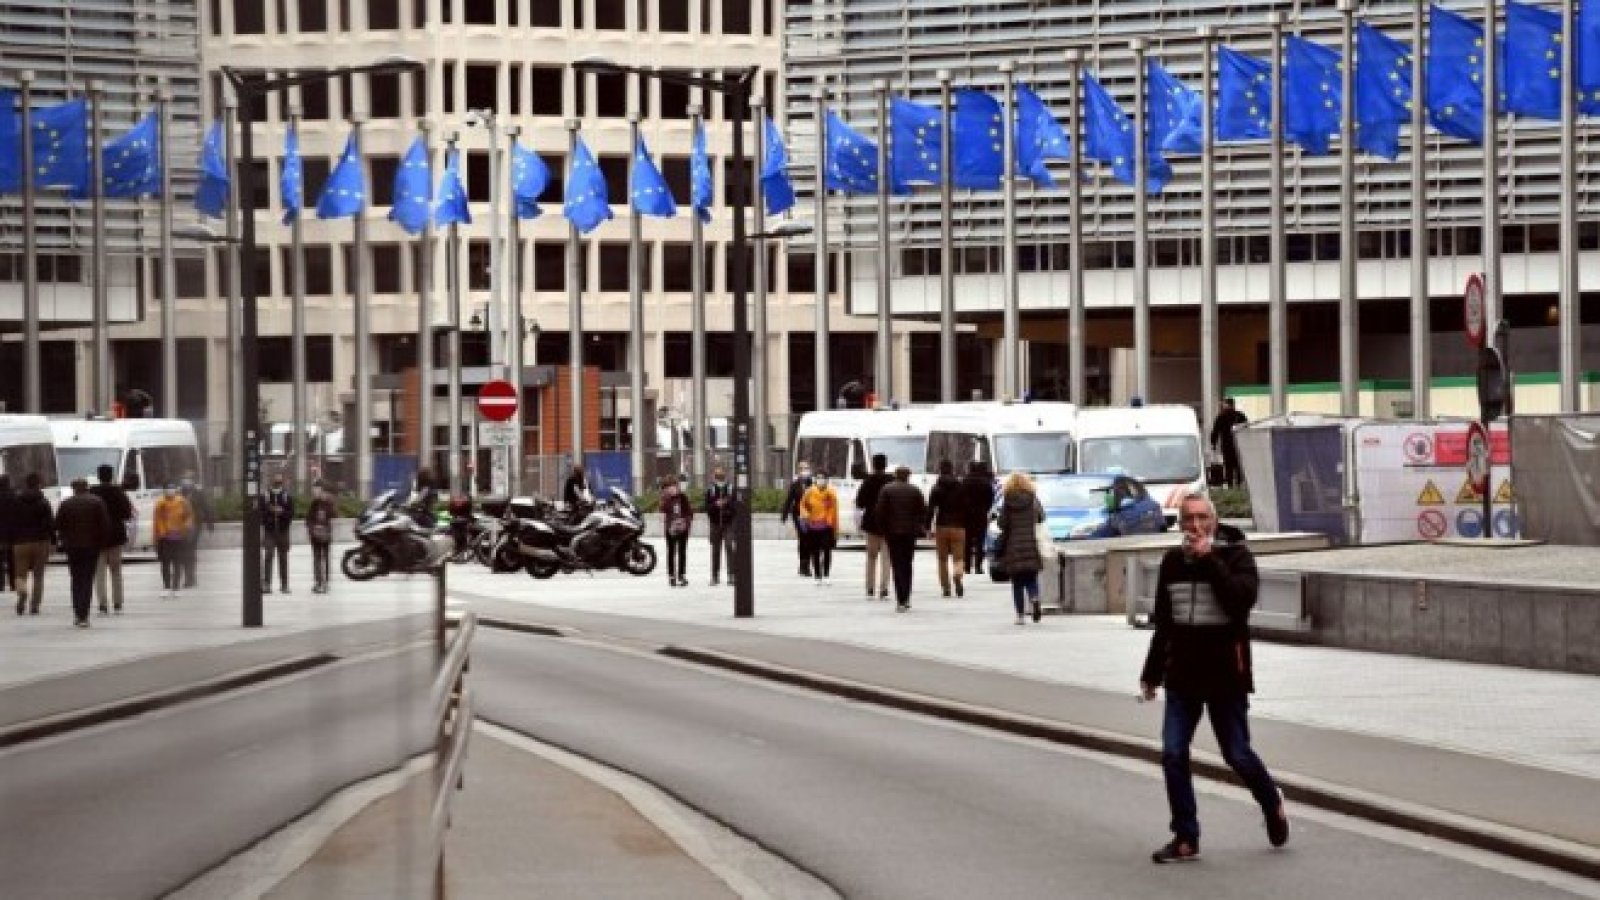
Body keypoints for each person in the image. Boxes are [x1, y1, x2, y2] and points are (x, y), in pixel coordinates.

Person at [1140, 491, 1288, 864]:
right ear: (1180, 524)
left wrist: (1210, 560)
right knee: (1173, 753)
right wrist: (1151, 673)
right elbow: (1164, 623)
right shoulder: (1172, 562)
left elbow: (1240, 602)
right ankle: (1185, 836)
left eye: (1202, 517)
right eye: (1188, 519)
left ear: (1214, 521)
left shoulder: (1237, 557)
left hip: (1225, 675)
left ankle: (1271, 801)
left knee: (1236, 754)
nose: (1195, 525)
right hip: (1182, 675)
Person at [54, 479, 113, 629]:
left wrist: (64, 540)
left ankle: (77, 611)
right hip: (91, 546)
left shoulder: (66, 504)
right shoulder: (97, 502)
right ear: (87, 488)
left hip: (72, 546)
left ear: (73, 489)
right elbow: (105, 525)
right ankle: (83, 615)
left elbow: (58, 525)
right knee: (87, 579)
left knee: (76, 578)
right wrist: (101, 542)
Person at [873, 466, 926, 612]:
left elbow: (880, 512)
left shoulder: (886, 490)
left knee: (896, 564)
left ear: (895, 475)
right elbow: (922, 512)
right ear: (908, 476)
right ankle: (906, 596)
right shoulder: (915, 491)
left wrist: (884, 529)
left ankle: (900, 599)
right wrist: (918, 527)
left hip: (893, 533)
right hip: (910, 533)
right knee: (907, 564)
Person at [996, 471, 1046, 625]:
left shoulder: (1008, 500)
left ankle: (1020, 616)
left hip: (1013, 547)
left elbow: (1002, 523)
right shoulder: (1032, 498)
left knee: (1017, 583)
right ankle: (1034, 598)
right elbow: (1042, 517)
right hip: (1031, 544)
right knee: (1031, 578)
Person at [90, 464, 135, 615]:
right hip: (116, 535)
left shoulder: (92, 492)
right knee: (116, 571)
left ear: (98, 476)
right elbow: (127, 513)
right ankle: (118, 603)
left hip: (97, 537)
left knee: (99, 572)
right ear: (111, 476)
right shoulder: (119, 492)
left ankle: (102, 605)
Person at [11, 473, 55, 616]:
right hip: (40, 541)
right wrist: (53, 540)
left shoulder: (16, 502)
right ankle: (35, 605)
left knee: (20, 574)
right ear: (38, 484)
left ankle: (22, 592)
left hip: (20, 542)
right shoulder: (44, 502)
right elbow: (50, 524)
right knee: (38, 575)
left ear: (26, 484)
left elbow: (11, 522)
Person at [925, 459, 969, 598]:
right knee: (958, 557)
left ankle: (946, 587)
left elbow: (931, 509)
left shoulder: (936, 488)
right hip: (958, 526)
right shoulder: (961, 487)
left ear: (940, 470)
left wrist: (927, 527)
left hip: (942, 526)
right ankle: (957, 576)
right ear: (952, 470)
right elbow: (967, 507)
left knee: (942, 559)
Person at [855, 453, 893, 599]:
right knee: (886, 557)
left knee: (871, 557)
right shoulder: (891, 481)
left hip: (871, 523)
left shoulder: (868, 481)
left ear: (873, 465)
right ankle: (884, 588)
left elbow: (860, 503)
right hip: (888, 524)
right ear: (885, 465)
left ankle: (870, 587)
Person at [798, 471, 839, 586]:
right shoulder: (809, 492)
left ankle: (826, 574)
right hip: (813, 525)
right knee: (815, 551)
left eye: (823, 478)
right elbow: (802, 505)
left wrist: (833, 525)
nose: (820, 480)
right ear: (815, 480)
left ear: (827, 480)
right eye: (818, 478)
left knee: (827, 550)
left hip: (827, 526)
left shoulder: (831, 493)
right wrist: (806, 515)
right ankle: (817, 575)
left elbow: (834, 509)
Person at [153, 485, 194, 598]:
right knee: (165, 563)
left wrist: (186, 527)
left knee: (177, 562)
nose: (170, 491)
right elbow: (157, 520)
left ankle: (176, 587)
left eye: (172, 489)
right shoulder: (160, 503)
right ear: (164, 491)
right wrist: (159, 535)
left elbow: (189, 516)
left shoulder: (182, 502)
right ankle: (167, 587)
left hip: (179, 537)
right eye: (168, 489)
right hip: (165, 538)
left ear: (175, 490)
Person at [259, 474, 295, 594]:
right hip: (269, 531)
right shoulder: (265, 496)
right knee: (268, 556)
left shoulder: (287, 496)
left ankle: (284, 585)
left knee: (283, 558)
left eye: (279, 481)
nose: (277, 483)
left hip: (283, 531)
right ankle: (267, 584)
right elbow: (261, 514)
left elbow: (291, 514)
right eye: (276, 481)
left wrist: (281, 512)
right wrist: (270, 513)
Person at [779, 461, 815, 577]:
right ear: (799, 471)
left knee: (809, 540)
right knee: (803, 539)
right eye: (802, 468)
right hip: (798, 515)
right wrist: (784, 515)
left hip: (811, 515)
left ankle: (805, 565)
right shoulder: (795, 485)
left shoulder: (813, 484)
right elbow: (789, 500)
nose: (805, 471)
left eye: (806, 468)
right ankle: (804, 565)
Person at [961, 461, 996, 576]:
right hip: (981, 515)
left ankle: (967, 566)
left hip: (967, 515)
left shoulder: (964, 481)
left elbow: (960, 497)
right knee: (980, 541)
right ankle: (978, 567)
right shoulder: (985, 483)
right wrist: (985, 509)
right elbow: (991, 498)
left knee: (967, 541)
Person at [703, 467, 737, 586]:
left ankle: (731, 575)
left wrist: (727, 504)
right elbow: (707, 507)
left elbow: (735, 506)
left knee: (729, 546)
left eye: (721, 476)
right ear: (714, 477)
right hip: (715, 523)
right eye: (717, 476)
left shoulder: (731, 489)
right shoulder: (710, 490)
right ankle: (715, 576)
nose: (719, 478)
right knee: (715, 550)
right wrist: (716, 504)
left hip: (728, 524)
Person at [179, 474, 213, 588]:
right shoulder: (179, 494)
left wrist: (210, 523)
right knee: (185, 552)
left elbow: (206, 507)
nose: (186, 481)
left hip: (195, 525)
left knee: (190, 550)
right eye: (184, 479)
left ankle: (190, 578)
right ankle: (190, 577)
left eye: (188, 479)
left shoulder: (198, 493)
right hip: (182, 526)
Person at [659, 475, 693, 588]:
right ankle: (671, 576)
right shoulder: (665, 498)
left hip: (683, 528)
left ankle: (681, 575)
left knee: (682, 552)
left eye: (673, 486)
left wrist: (685, 523)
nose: (671, 488)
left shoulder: (683, 497)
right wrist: (667, 497)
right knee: (671, 552)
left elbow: (689, 512)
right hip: (670, 528)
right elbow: (662, 509)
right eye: (668, 487)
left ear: (676, 486)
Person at [1209, 398, 1249, 489]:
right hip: (1239, 444)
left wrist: (1213, 443)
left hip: (1227, 445)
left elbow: (1215, 431)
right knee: (1238, 465)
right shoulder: (1240, 415)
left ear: (1227, 404)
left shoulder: (1221, 416)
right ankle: (1239, 483)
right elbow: (1246, 428)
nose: (1223, 405)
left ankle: (1230, 484)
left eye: (1224, 404)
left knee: (1228, 465)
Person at [305, 481, 337, 594]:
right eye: (314, 490)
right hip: (315, 535)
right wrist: (311, 530)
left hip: (326, 534)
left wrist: (328, 501)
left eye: (317, 489)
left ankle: (325, 582)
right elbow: (308, 518)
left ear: (322, 490)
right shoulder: (314, 503)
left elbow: (334, 514)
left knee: (326, 558)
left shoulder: (329, 502)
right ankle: (318, 582)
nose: (315, 492)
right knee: (317, 558)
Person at [0, 474, 15, 596]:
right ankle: (13, 583)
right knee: (12, 559)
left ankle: (0, 584)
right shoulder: (14, 496)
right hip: (12, 533)